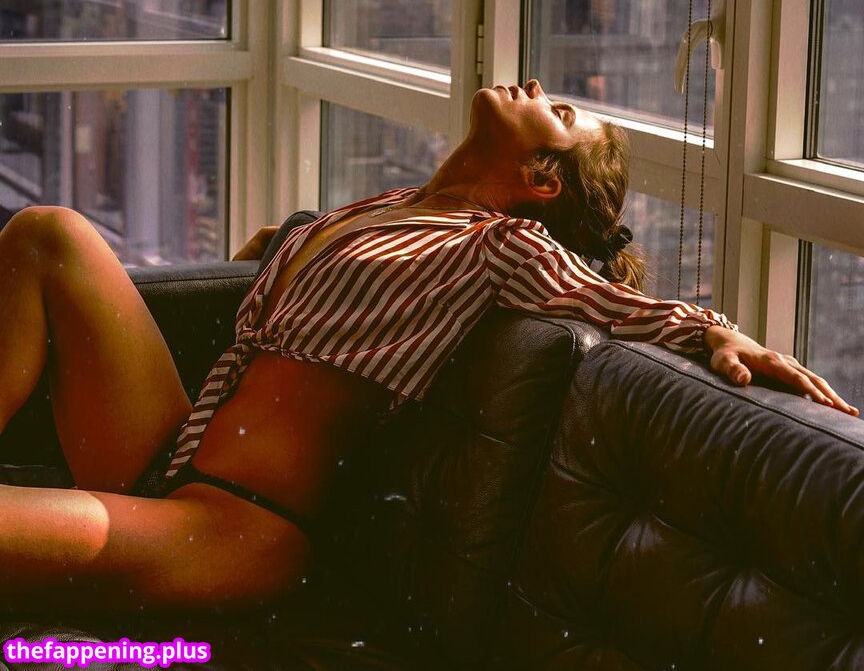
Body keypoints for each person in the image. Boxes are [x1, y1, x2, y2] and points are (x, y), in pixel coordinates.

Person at [0, 79, 857, 615]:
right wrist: (279, 250)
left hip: (229, 525)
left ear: (541, 179)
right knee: (50, 232)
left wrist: (715, 330)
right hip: (169, 454)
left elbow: (610, 303)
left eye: (558, 112)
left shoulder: (500, 244)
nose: (535, 86)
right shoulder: (385, 208)